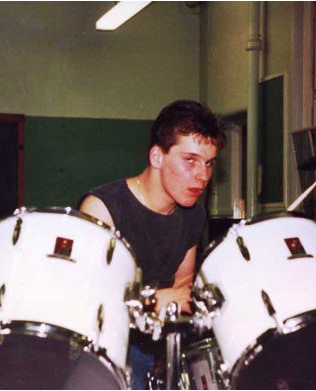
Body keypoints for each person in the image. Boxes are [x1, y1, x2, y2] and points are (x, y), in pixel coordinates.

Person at [78, 100, 226, 389]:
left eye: (208, 163)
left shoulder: (193, 213)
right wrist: (155, 300)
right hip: (100, 347)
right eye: (190, 160)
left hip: (156, 348)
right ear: (157, 156)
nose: (203, 176)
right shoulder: (103, 208)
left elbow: (183, 285)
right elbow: (91, 300)